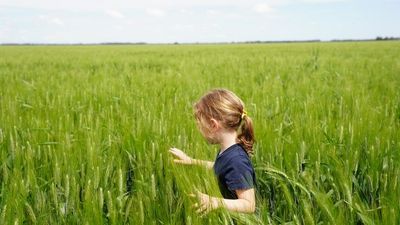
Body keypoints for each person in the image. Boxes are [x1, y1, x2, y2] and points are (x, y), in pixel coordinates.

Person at [169, 88, 256, 215]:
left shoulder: (237, 161)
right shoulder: (228, 152)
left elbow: (249, 205)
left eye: (200, 125)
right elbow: (220, 167)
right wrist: (191, 161)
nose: (199, 129)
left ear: (213, 125)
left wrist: (214, 202)